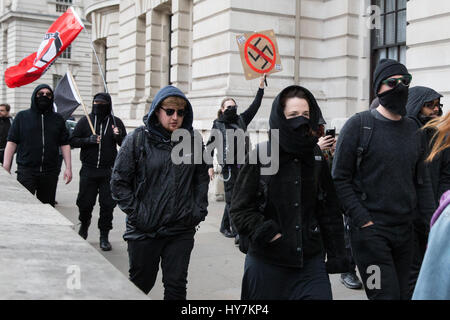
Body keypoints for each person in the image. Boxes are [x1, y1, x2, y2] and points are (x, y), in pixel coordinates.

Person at [230, 85, 348, 300]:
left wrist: (338, 255)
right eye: (293, 115)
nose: (300, 120)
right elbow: (239, 210)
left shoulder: (316, 157)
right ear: (281, 117)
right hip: (267, 263)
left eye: (305, 114)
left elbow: (329, 209)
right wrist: (268, 232)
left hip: (310, 262)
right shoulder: (261, 155)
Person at [332, 59, 436, 300]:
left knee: (405, 295)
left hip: (405, 235)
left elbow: (422, 183)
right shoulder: (358, 126)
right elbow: (339, 179)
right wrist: (363, 221)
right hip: (371, 238)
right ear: (378, 87)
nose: (400, 87)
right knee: (383, 295)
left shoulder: (413, 129)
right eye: (392, 82)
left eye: (405, 81)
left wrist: (432, 225)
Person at [110, 85, 209, 299]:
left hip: (181, 229)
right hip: (145, 231)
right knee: (140, 285)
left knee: (176, 286)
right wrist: (141, 215)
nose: (175, 117)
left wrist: (198, 209)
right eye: (170, 111)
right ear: (157, 110)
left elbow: (201, 177)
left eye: (180, 113)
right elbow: (119, 183)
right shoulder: (137, 139)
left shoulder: (193, 140)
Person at [206, 74, 266, 244]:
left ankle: (225, 226)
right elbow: (209, 146)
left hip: (243, 165)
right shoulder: (218, 125)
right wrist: (209, 166)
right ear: (223, 109)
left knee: (238, 197)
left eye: (234, 106)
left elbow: (256, 105)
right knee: (232, 198)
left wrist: (261, 86)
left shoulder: (241, 120)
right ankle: (238, 232)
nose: (232, 108)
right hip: (229, 167)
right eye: (229, 106)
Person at [405, 86, 450, 297]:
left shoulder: (442, 137)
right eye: (429, 105)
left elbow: (445, 177)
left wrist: (437, 210)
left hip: (433, 213)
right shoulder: (404, 135)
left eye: (438, 105)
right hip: (404, 216)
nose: (435, 110)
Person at [70, 93, 127, 251]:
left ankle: (104, 235)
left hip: (108, 172)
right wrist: (88, 140)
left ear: (108, 104)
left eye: (102, 103)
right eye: (96, 102)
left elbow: (125, 144)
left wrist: (119, 136)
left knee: (107, 205)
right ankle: (84, 224)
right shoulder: (85, 121)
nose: (98, 105)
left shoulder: (115, 122)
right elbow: (73, 140)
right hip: (88, 170)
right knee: (85, 203)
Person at [2, 84, 72, 206]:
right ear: (35, 96)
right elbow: (12, 142)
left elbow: (65, 144)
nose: (44, 96)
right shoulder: (22, 117)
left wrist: (68, 168)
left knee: (47, 207)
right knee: (25, 207)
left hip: (50, 171)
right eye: (41, 94)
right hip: (26, 171)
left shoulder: (58, 119)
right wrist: (6, 166)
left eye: (48, 94)